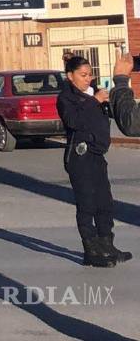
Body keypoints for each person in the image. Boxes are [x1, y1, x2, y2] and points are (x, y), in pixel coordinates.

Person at [57, 55, 131, 267]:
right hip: (79, 157)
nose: (88, 78)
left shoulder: (93, 92)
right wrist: (94, 101)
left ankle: (107, 244)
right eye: (83, 75)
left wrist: (106, 104)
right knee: (87, 204)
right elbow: (74, 121)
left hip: (98, 155)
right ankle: (91, 250)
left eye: (90, 74)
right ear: (71, 76)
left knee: (104, 203)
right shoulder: (66, 98)